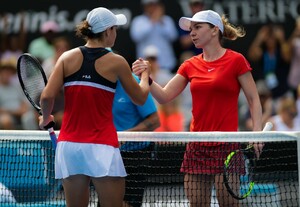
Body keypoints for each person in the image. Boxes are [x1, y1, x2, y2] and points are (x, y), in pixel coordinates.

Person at [132, 10, 263, 207]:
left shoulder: (236, 60)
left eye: (197, 27)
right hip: (197, 145)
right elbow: (164, 96)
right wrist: (147, 77)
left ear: (214, 30)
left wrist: (257, 134)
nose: (192, 33)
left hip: (227, 145)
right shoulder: (189, 65)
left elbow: (254, 100)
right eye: (191, 29)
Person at [38, 7, 151, 207]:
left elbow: (47, 97)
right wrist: (144, 76)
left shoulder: (66, 57)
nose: (116, 33)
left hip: (69, 147)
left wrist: (46, 118)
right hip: (102, 147)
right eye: (115, 28)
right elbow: (141, 98)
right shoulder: (116, 61)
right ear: (107, 31)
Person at [113, 73, 160, 207]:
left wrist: (124, 136)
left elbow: (154, 121)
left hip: (135, 154)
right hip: (109, 153)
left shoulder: (133, 83)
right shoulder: (99, 84)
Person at [130, 0, 178, 73]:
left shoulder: (167, 20)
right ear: (145, 7)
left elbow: (173, 37)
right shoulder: (138, 21)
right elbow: (136, 37)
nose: (153, 7)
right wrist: (153, 20)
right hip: (145, 65)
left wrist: (161, 22)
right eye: (150, 5)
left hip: (166, 65)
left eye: (155, 5)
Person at [247, 24, 291, 101]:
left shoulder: (280, 50)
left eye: (272, 38)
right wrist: (259, 37)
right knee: (259, 87)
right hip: (265, 87)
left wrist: (281, 39)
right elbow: (251, 55)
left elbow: (288, 57)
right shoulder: (263, 52)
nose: (270, 40)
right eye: (268, 38)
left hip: (281, 86)